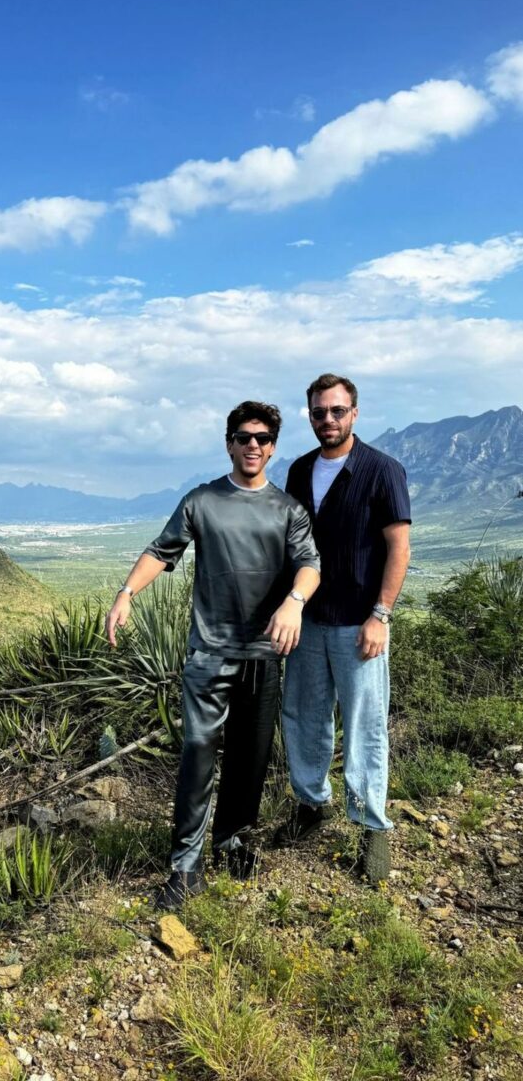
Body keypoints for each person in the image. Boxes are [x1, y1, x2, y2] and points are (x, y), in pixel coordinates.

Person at [105, 401, 320, 910]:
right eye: (244, 437)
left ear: (273, 446)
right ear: (228, 443)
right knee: (198, 756)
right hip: (210, 655)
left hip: (264, 654)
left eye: (263, 438)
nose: (253, 446)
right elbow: (162, 551)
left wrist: (293, 602)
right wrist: (126, 594)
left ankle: (231, 838)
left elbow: (309, 565)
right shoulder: (201, 501)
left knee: (251, 756)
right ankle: (185, 865)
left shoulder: (288, 509)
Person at [275, 373, 411, 883]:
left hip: (359, 623)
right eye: (318, 413)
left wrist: (381, 614)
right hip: (307, 619)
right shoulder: (300, 470)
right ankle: (312, 806)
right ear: (309, 416)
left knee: (364, 726)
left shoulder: (382, 471)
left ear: (354, 413)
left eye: (336, 411)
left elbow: (399, 548)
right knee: (304, 716)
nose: (327, 420)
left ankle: (372, 827)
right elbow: (291, 544)